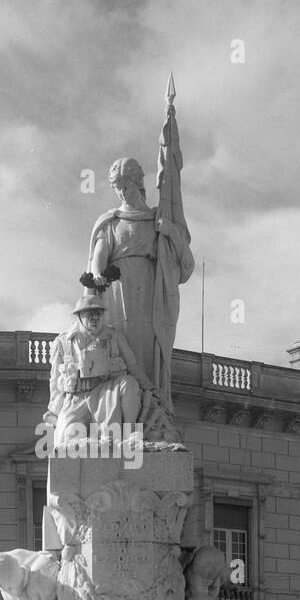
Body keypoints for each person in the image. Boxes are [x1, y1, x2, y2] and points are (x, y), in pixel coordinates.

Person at [85, 157, 194, 414]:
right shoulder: (111, 221)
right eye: (117, 187)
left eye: (126, 186)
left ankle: (150, 405)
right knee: (120, 346)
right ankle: (120, 407)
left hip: (151, 291)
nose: (122, 193)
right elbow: (98, 256)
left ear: (138, 184)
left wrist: (170, 231)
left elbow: (184, 262)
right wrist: (97, 272)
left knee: (148, 347)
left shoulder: (158, 219)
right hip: (118, 293)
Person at [45, 293, 156, 451]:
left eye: (98, 314)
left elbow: (133, 365)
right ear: (80, 316)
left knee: (129, 383)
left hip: (106, 391)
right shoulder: (63, 342)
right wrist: (54, 411)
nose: (95, 318)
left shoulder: (113, 336)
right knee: (69, 440)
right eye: (91, 314)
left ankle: (130, 434)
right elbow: (55, 379)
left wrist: (149, 388)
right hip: (76, 398)